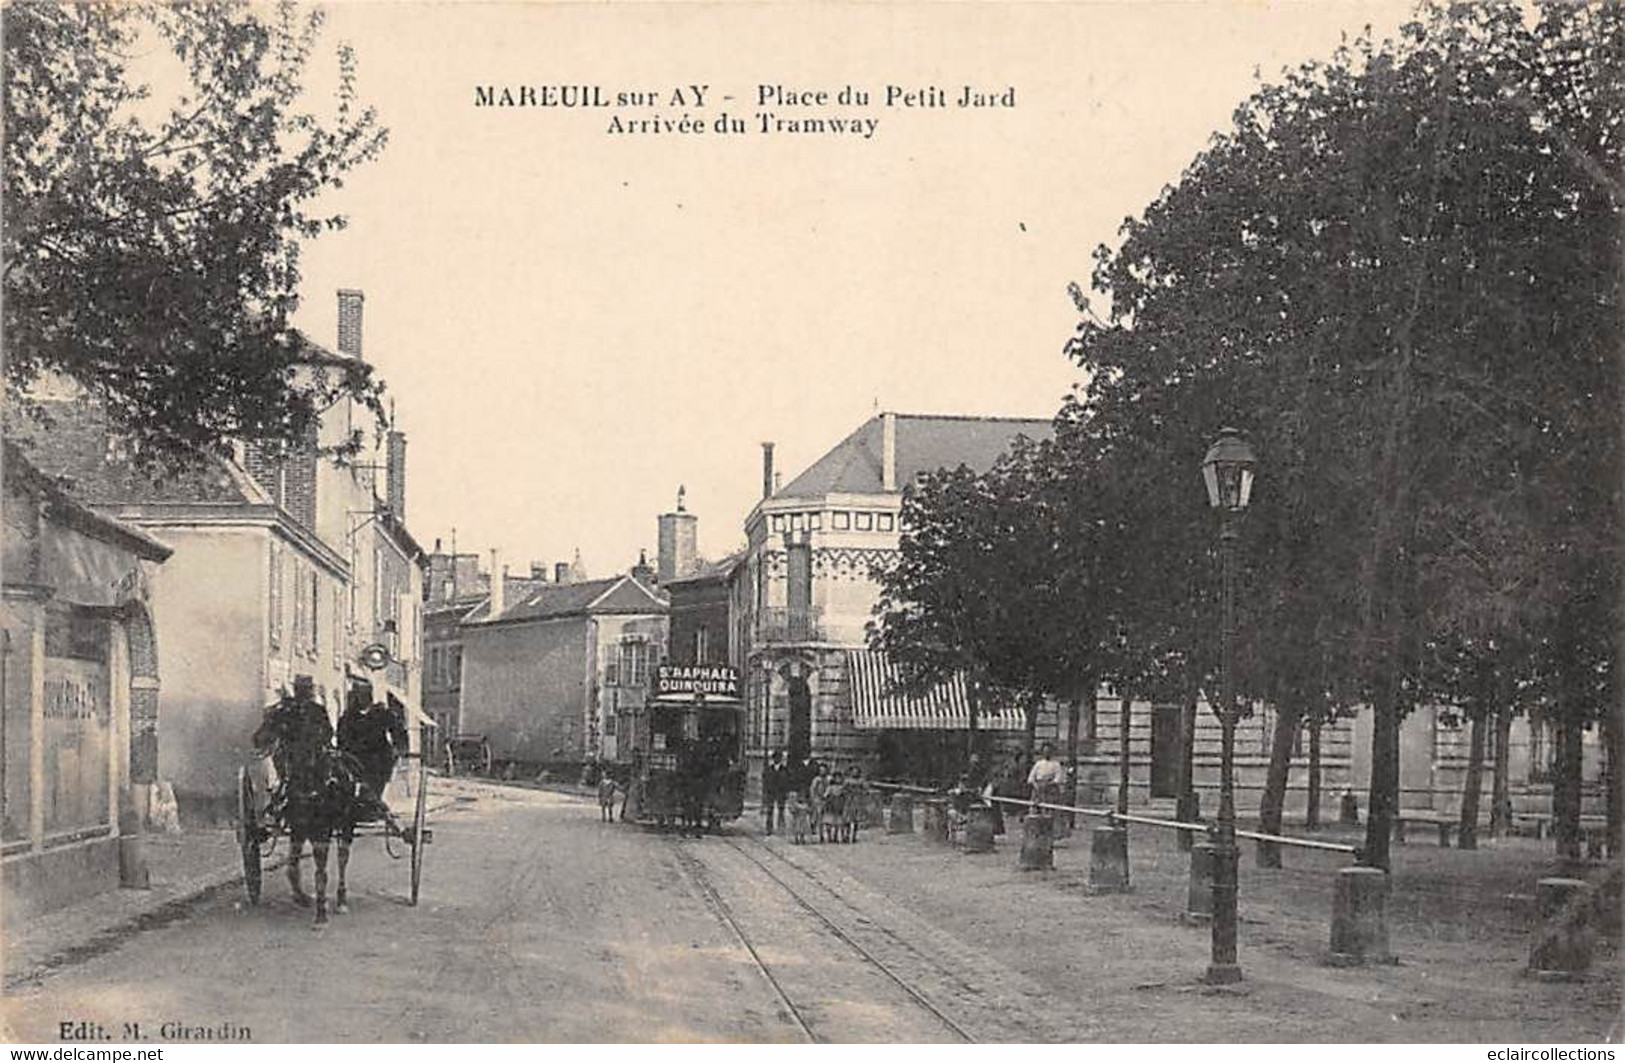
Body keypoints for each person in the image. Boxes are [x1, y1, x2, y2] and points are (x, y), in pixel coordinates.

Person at [255, 675, 332, 818]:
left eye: (306, 690)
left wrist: (321, 740)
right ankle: (284, 788)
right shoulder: (284, 709)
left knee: (325, 764)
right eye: (301, 689)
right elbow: (268, 728)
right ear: (296, 690)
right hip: (289, 753)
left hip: (313, 751)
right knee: (285, 764)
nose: (304, 693)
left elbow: (328, 731)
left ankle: (321, 791)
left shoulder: (317, 710)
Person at [336, 686, 409, 827]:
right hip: (355, 758)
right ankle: (359, 808)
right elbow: (342, 737)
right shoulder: (348, 716)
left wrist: (399, 748)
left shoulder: (382, 714)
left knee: (375, 784)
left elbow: (398, 731)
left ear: (370, 697)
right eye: (358, 697)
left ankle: (371, 808)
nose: (361, 700)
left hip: (378, 758)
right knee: (351, 783)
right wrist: (343, 752)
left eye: (364, 696)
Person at [1028, 742, 1065, 809]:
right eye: (1045, 751)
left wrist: (1048, 784)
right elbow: (1031, 778)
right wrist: (1036, 785)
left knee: (1050, 808)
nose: (1047, 753)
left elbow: (1058, 779)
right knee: (1036, 807)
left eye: (1049, 751)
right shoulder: (1038, 763)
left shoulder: (1056, 764)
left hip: (1050, 789)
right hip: (1038, 789)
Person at [763, 751, 788, 835]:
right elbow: (765, 781)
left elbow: (787, 782)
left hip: (781, 792)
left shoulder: (784, 769)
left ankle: (781, 828)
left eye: (779, 758)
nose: (777, 759)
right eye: (776, 758)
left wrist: (785, 792)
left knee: (781, 810)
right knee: (770, 810)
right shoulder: (769, 769)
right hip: (771, 792)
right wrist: (766, 792)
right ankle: (769, 828)